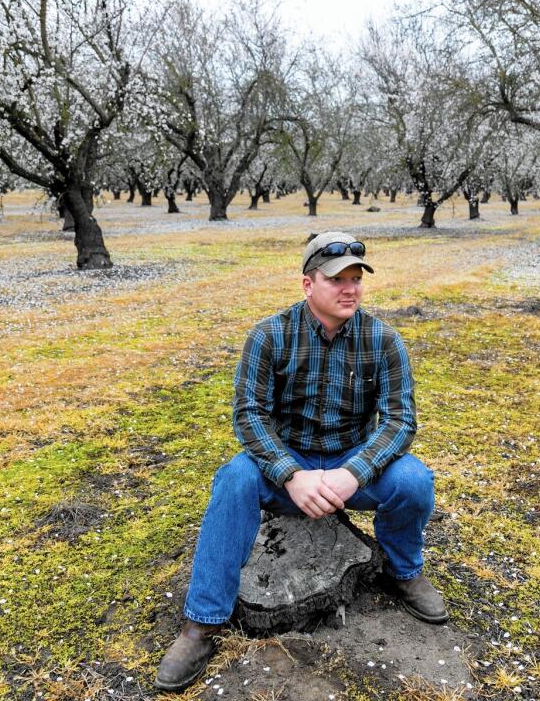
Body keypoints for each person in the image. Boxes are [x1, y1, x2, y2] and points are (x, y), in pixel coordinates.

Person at [154, 231, 447, 692]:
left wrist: (354, 474)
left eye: (356, 278)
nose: (350, 288)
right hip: (288, 463)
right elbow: (249, 415)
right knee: (234, 478)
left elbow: (399, 422)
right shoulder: (270, 336)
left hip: (351, 464)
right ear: (308, 285)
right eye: (337, 280)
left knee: (413, 479)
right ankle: (203, 622)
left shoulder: (383, 340)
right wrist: (289, 475)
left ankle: (403, 571)